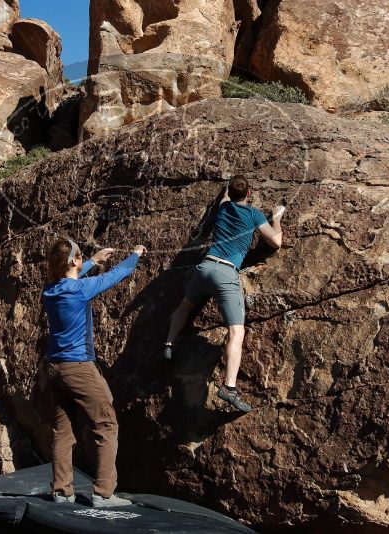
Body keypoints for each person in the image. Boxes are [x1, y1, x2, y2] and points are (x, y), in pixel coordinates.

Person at [164, 177, 285, 412]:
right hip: (226, 273)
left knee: (185, 306)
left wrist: (227, 189)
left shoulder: (223, 207)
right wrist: (276, 218)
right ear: (249, 194)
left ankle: (168, 343)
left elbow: (225, 197)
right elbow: (276, 242)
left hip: (205, 267)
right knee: (236, 331)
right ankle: (229, 388)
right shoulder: (254, 215)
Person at [42, 238, 146, 507]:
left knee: (62, 431)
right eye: (80, 256)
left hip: (54, 368)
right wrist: (134, 254)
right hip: (79, 368)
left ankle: (61, 491)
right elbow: (118, 274)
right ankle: (103, 493)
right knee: (106, 424)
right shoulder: (81, 290)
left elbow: (71, 278)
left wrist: (93, 261)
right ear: (74, 261)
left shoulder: (50, 291)